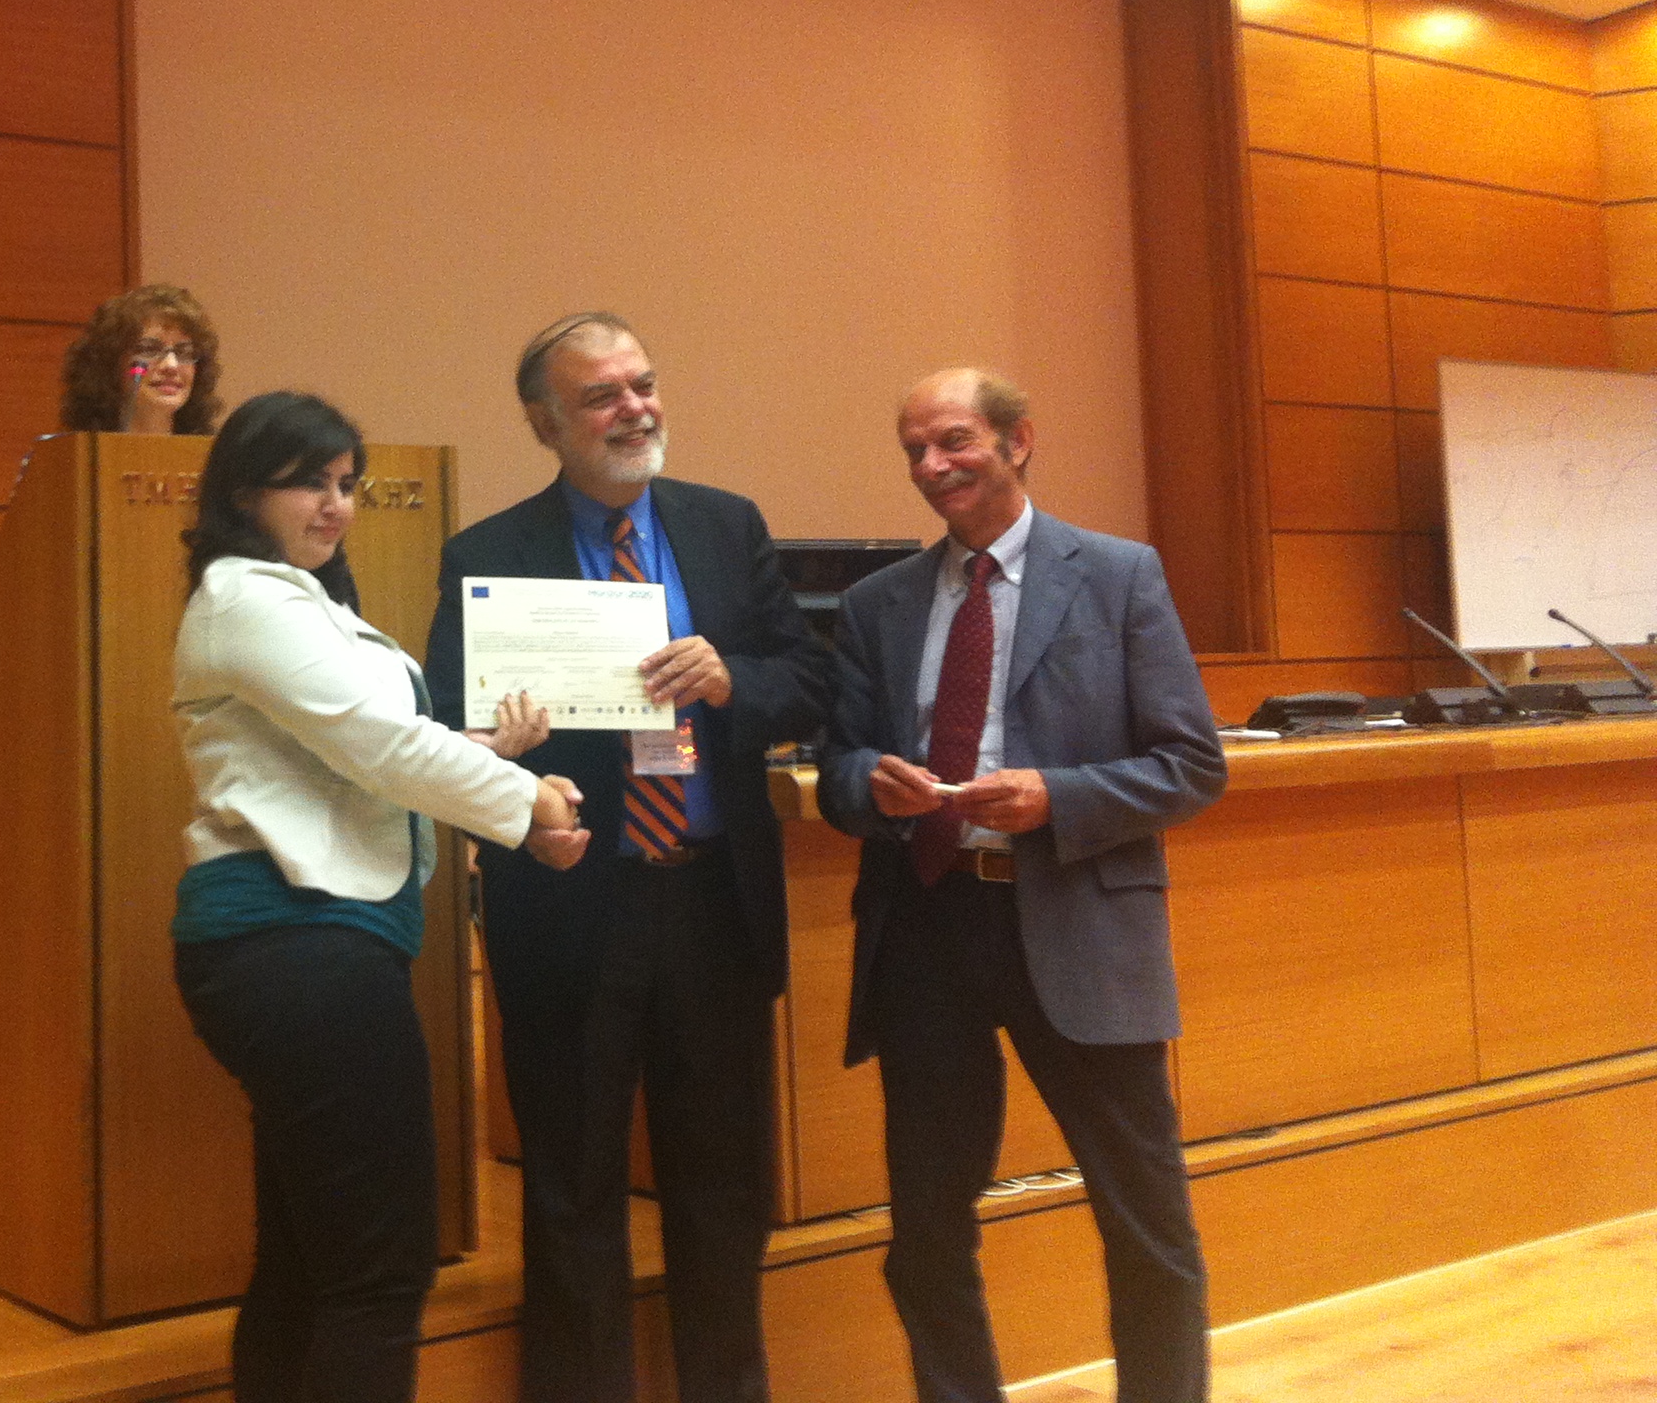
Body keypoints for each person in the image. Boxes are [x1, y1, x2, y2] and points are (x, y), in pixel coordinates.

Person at [425, 312, 833, 1403]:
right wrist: (501, 758)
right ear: (544, 422)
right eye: (602, 396)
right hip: (570, 907)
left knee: (724, 1193)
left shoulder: (724, 525)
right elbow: (444, 740)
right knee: (571, 1195)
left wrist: (733, 680)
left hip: (712, 906)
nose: (634, 409)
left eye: (642, 384)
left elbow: (809, 680)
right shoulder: (486, 556)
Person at [171, 390, 592, 1403]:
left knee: (307, 1267)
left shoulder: (294, 600)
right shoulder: (246, 597)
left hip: (303, 947)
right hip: (297, 943)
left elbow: (357, 758)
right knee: (380, 1270)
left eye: (346, 483)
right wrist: (526, 804)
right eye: (308, 482)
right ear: (244, 491)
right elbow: (381, 748)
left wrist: (486, 755)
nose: (336, 505)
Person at [814, 367, 1225, 1403]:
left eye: (953, 440)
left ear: (1018, 441)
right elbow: (837, 766)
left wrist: (1057, 797)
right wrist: (872, 784)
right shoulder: (876, 604)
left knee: (1145, 1219)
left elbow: (1192, 764)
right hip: (926, 922)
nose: (932, 465)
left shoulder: (1119, 576)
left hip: (1078, 918)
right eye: (914, 449)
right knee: (927, 1229)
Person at [61, 282, 223, 435]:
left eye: (184, 352)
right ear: (110, 363)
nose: (171, 365)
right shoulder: (74, 452)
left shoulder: (217, 452)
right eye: (149, 349)